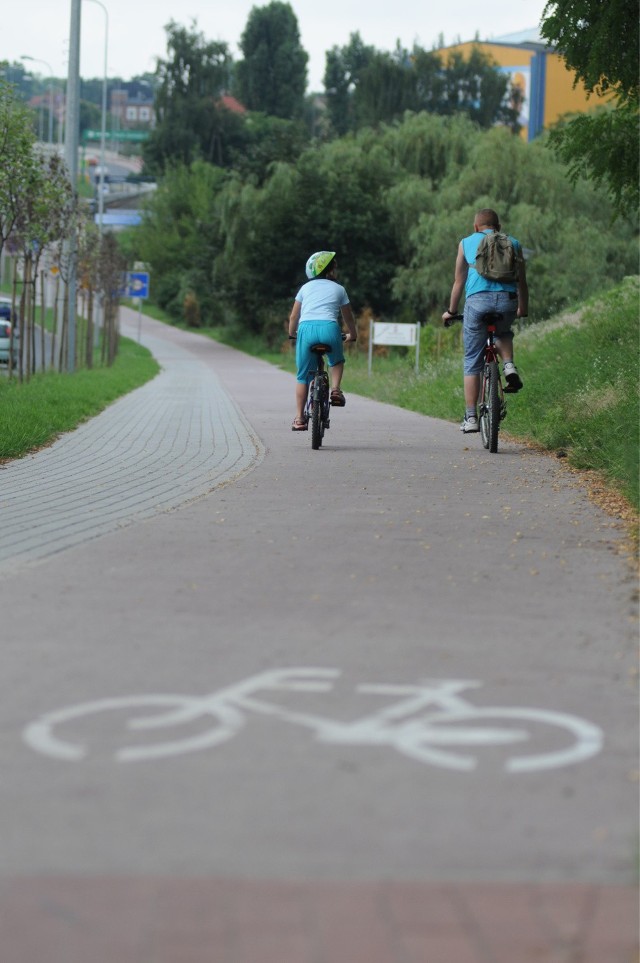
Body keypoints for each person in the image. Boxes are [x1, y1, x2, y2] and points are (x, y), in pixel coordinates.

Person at [442, 209, 529, 433]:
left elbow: (458, 282)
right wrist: (522, 309)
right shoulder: (514, 243)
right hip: (508, 301)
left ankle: (471, 417)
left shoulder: (466, 243)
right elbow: (522, 283)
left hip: (477, 303)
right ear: (498, 227)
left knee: (472, 359)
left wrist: (451, 311)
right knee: (503, 332)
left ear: (475, 227)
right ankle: (508, 365)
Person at [288, 250, 357, 431]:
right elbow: (348, 317)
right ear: (330, 271)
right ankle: (335, 389)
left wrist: (291, 333)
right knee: (336, 361)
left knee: (303, 376)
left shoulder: (305, 288)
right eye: (335, 267)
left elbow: (294, 315)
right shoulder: (339, 289)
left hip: (306, 330)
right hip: (329, 328)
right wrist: (353, 334)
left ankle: (300, 418)